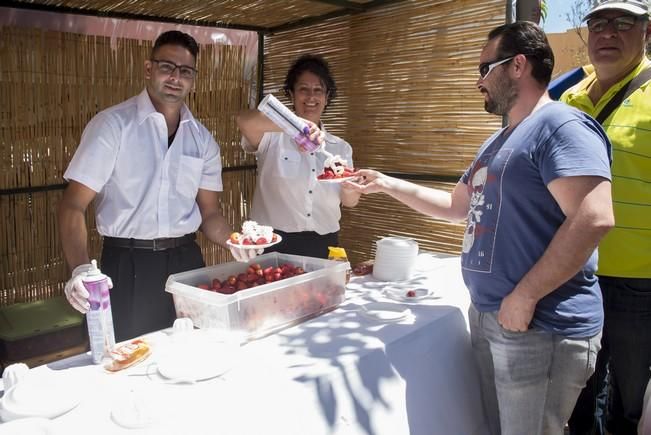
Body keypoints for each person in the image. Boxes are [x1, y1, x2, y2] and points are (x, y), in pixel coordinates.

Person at [346, 21, 614, 435]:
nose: (478, 82)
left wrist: (525, 296)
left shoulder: (562, 126)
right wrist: (384, 183)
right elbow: (456, 206)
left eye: (485, 68)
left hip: (540, 326)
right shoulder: (498, 141)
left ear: (518, 65)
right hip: (495, 317)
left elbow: (594, 216)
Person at [58, 30, 254, 342]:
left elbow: (210, 214)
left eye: (185, 71)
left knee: (195, 351)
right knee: (127, 360)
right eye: (167, 67)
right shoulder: (112, 126)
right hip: (127, 265)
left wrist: (233, 240)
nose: (176, 78)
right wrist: (80, 268)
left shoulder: (202, 140)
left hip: (187, 264)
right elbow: (73, 205)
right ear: (149, 69)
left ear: (194, 78)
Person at [561, 1, 651, 434]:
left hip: (640, 283)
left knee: (629, 402)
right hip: (574, 274)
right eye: (598, 24)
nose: (608, 33)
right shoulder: (570, 98)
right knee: (578, 393)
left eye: (623, 24)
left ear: (646, 33)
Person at [236, 54, 360, 259]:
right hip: (273, 242)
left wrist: (350, 188)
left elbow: (350, 202)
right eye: (303, 89)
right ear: (291, 95)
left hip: (323, 241)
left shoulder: (340, 147)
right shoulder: (271, 138)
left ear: (327, 97)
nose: (311, 97)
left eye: (318, 90)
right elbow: (243, 120)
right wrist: (296, 127)